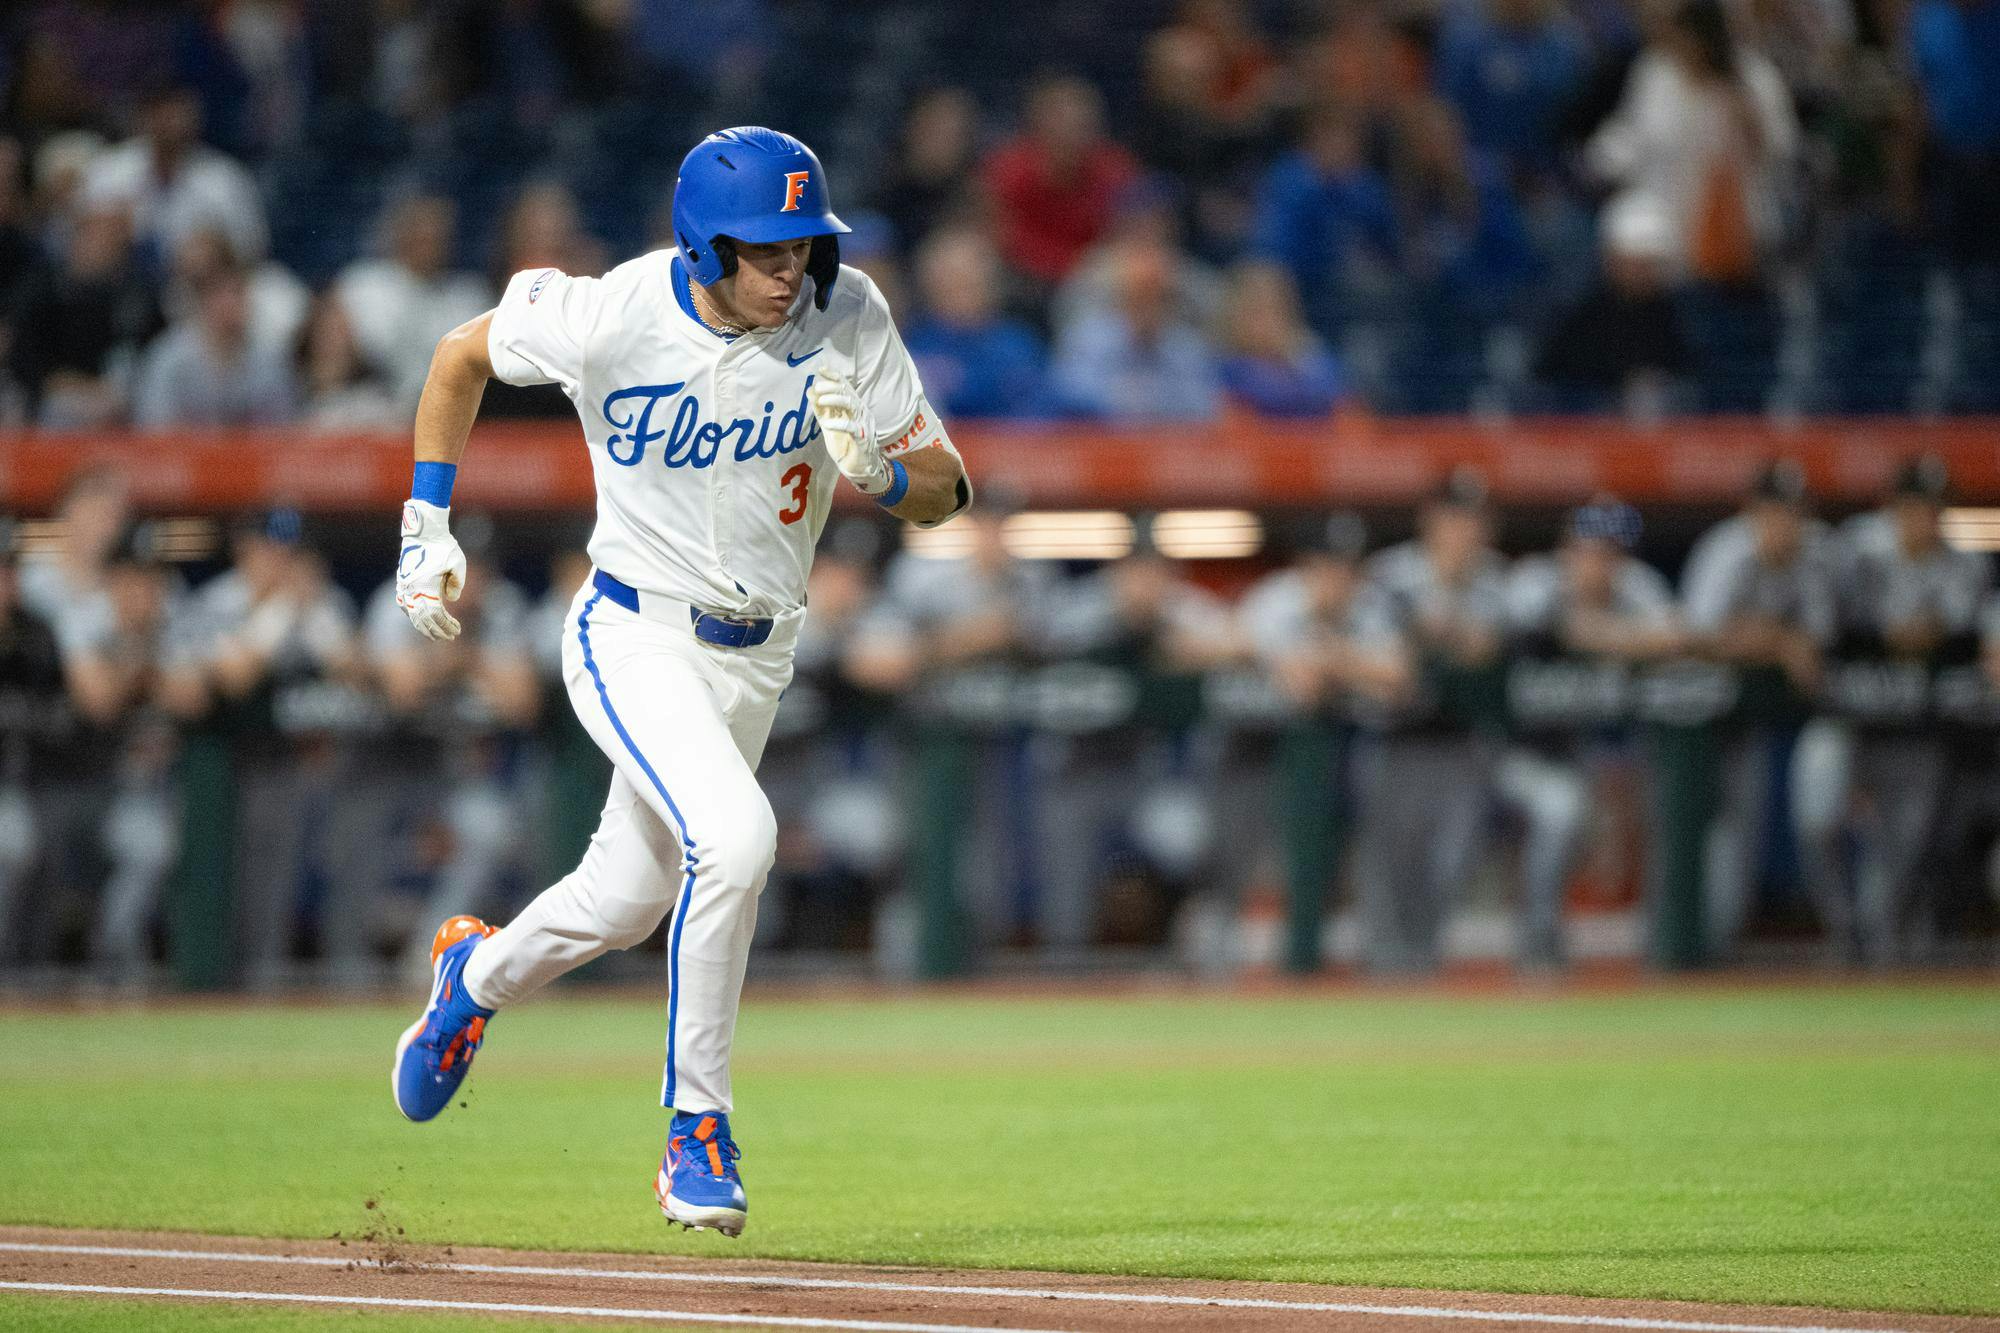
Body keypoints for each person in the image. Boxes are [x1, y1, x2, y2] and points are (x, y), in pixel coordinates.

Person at [385, 127, 972, 1239]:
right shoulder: (615, 311)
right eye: (765, 248)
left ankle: (473, 979)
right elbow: (459, 355)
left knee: (626, 899)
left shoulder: (847, 314)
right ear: (704, 248)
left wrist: (884, 473)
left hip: (757, 660)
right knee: (739, 838)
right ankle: (694, 1127)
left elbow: (948, 495)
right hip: (632, 633)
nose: (790, 267)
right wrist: (424, 523)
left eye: (805, 242)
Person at [1794, 457, 1990, 963]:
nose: (1920, 518)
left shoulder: (1965, 560)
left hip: (1914, 729)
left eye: (1930, 508)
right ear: (1891, 508)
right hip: (1843, 717)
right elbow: (1816, 625)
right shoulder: (1850, 553)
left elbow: (1951, 632)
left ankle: (1875, 951)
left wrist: (1919, 633)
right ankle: (1841, 930)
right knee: (1817, 816)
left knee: (1902, 847)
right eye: (1910, 507)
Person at [1503, 498, 1684, 966]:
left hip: (1603, 750)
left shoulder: (1637, 586)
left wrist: (1605, 636)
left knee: (1662, 803)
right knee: (1562, 808)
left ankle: (1664, 947)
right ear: (1568, 549)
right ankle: (1539, 942)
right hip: (1517, 752)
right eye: (1590, 550)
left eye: (1612, 553)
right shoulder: (1535, 582)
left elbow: (1675, 636)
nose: (1601, 564)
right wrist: (1620, 640)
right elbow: (1557, 629)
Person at [1348, 469, 1513, 973]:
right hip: (1395, 738)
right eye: (1453, 518)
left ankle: (1425, 964)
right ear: (1430, 521)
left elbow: (1490, 649)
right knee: (1390, 863)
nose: (1464, 531)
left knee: (1453, 861)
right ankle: (1384, 969)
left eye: (1473, 520)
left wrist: (1439, 634)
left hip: (1463, 740)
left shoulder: (1497, 579)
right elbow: (1383, 664)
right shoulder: (1390, 575)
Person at [1680, 459, 1835, 960]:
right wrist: (1777, 640)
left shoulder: (1815, 559)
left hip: (1753, 723)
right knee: (1695, 835)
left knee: (1745, 831)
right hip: (1691, 720)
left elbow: (1815, 648)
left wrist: (1768, 640)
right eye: (1771, 512)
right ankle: (1697, 946)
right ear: (1752, 513)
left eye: (1791, 512)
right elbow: (1698, 637)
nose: (1781, 524)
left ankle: (1723, 948)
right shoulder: (1725, 552)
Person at [337, 194, 494, 409]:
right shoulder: (365, 285)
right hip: (374, 406)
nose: (428, 240)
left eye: (437, 234)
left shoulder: (468, 296)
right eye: (419, 231)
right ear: (399, 232)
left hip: (453, 411)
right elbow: (347, 360)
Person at [131, 258, 299, 428]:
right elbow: (155, 430)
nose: (233, 304)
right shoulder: (170, 359)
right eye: (222, 294)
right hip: (184, 453)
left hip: (250, 454)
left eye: (239, 293)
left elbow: (281, 431)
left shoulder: (267, 360)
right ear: (204, 300)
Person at [902, 228, 1048, 420]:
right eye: (953, 283)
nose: (962, 293)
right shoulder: (912, 347)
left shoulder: (1018, 345)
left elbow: (1042, 412)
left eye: (971, 283)